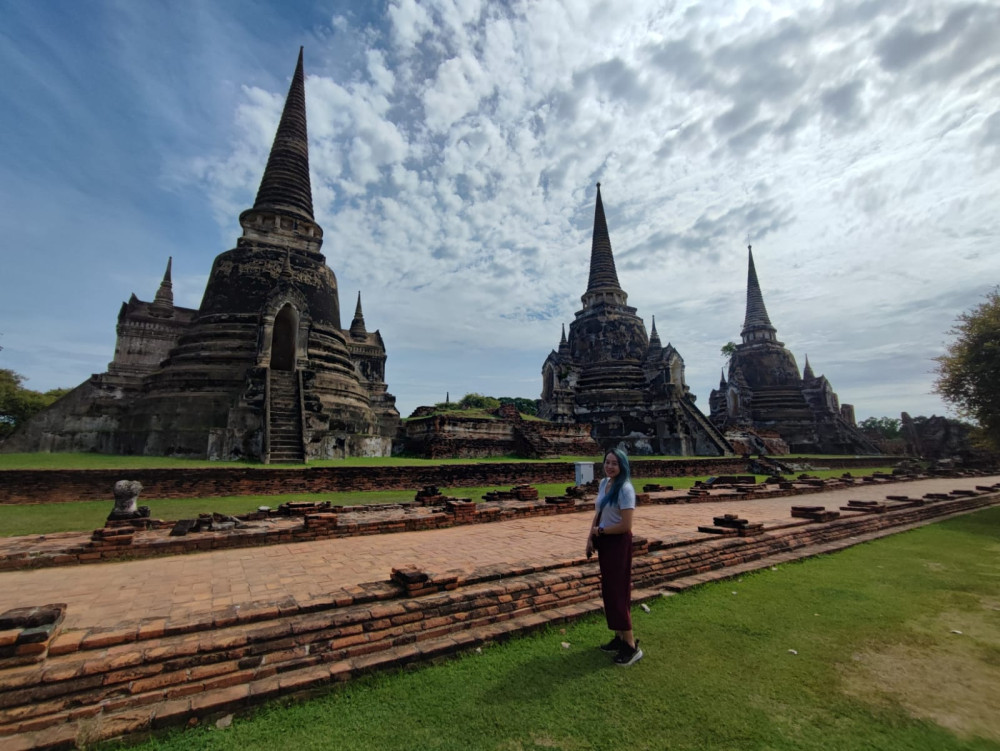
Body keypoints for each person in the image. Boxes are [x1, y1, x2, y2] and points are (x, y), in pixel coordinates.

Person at [585, 448, 643, 666]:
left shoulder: (625, 489)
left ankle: (630, 645)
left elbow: (626, 525)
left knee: (618, 592)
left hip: (618, 543)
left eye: (615, 463)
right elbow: (598, 513)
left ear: (623, 466)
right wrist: (590, 538)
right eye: (607, 462)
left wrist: (601, 531)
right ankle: (619, 637)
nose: (610, 466)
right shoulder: (604, 483)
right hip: (605, 541)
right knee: (610, 591)